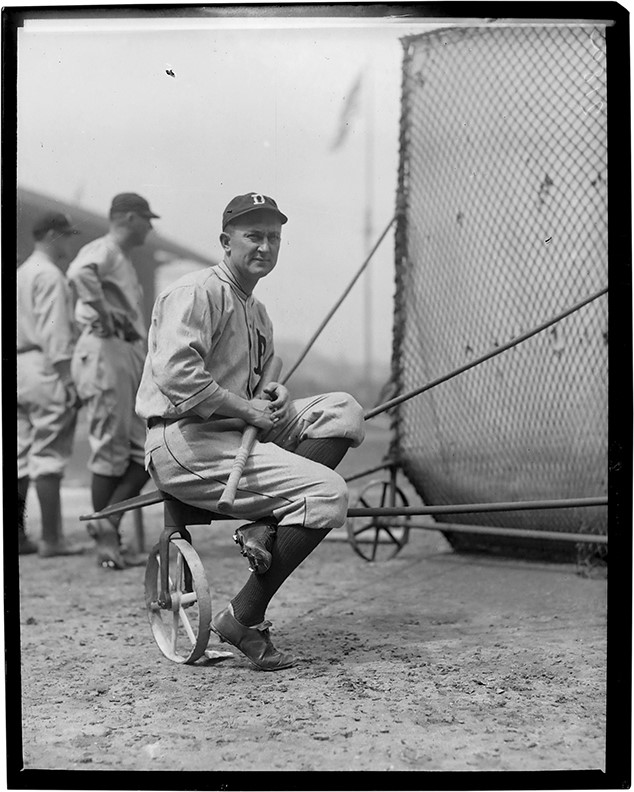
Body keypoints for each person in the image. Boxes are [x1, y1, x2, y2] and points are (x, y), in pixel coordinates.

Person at [135, 192, 365, 671]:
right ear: (226, 240)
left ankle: (268, 524)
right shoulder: (196, 292)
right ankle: (243, 617)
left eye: (274, 237)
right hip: (185, 441)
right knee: (329, 493)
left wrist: (274, 392)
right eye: (254, 236)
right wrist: (248, 408)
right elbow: (177, 376)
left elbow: (257, 384)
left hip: (239, 433)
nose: (265, 246)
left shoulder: (257, 311)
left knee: (343, 410)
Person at [67, 192, 160, 570]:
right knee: (109, 448)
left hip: (122, 354)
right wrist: (102, 310)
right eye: (145, 218)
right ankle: (106, 541)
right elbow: (78, 273)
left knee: (144, 453)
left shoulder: (119, 258)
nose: (150, 227)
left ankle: (108, 523)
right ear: (127, 218)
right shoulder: (103, 248)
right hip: (105, 351)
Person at [17, 211, 84, 557]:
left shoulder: (20, 272)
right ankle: (53, 540)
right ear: (54, 236)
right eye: (67, 236)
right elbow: (56, 335)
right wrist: (68, 380)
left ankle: (17, 536)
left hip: (15, 365)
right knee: (49, 455)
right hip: (45, 365)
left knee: (18, 455)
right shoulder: (51, 276)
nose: (70, 243)